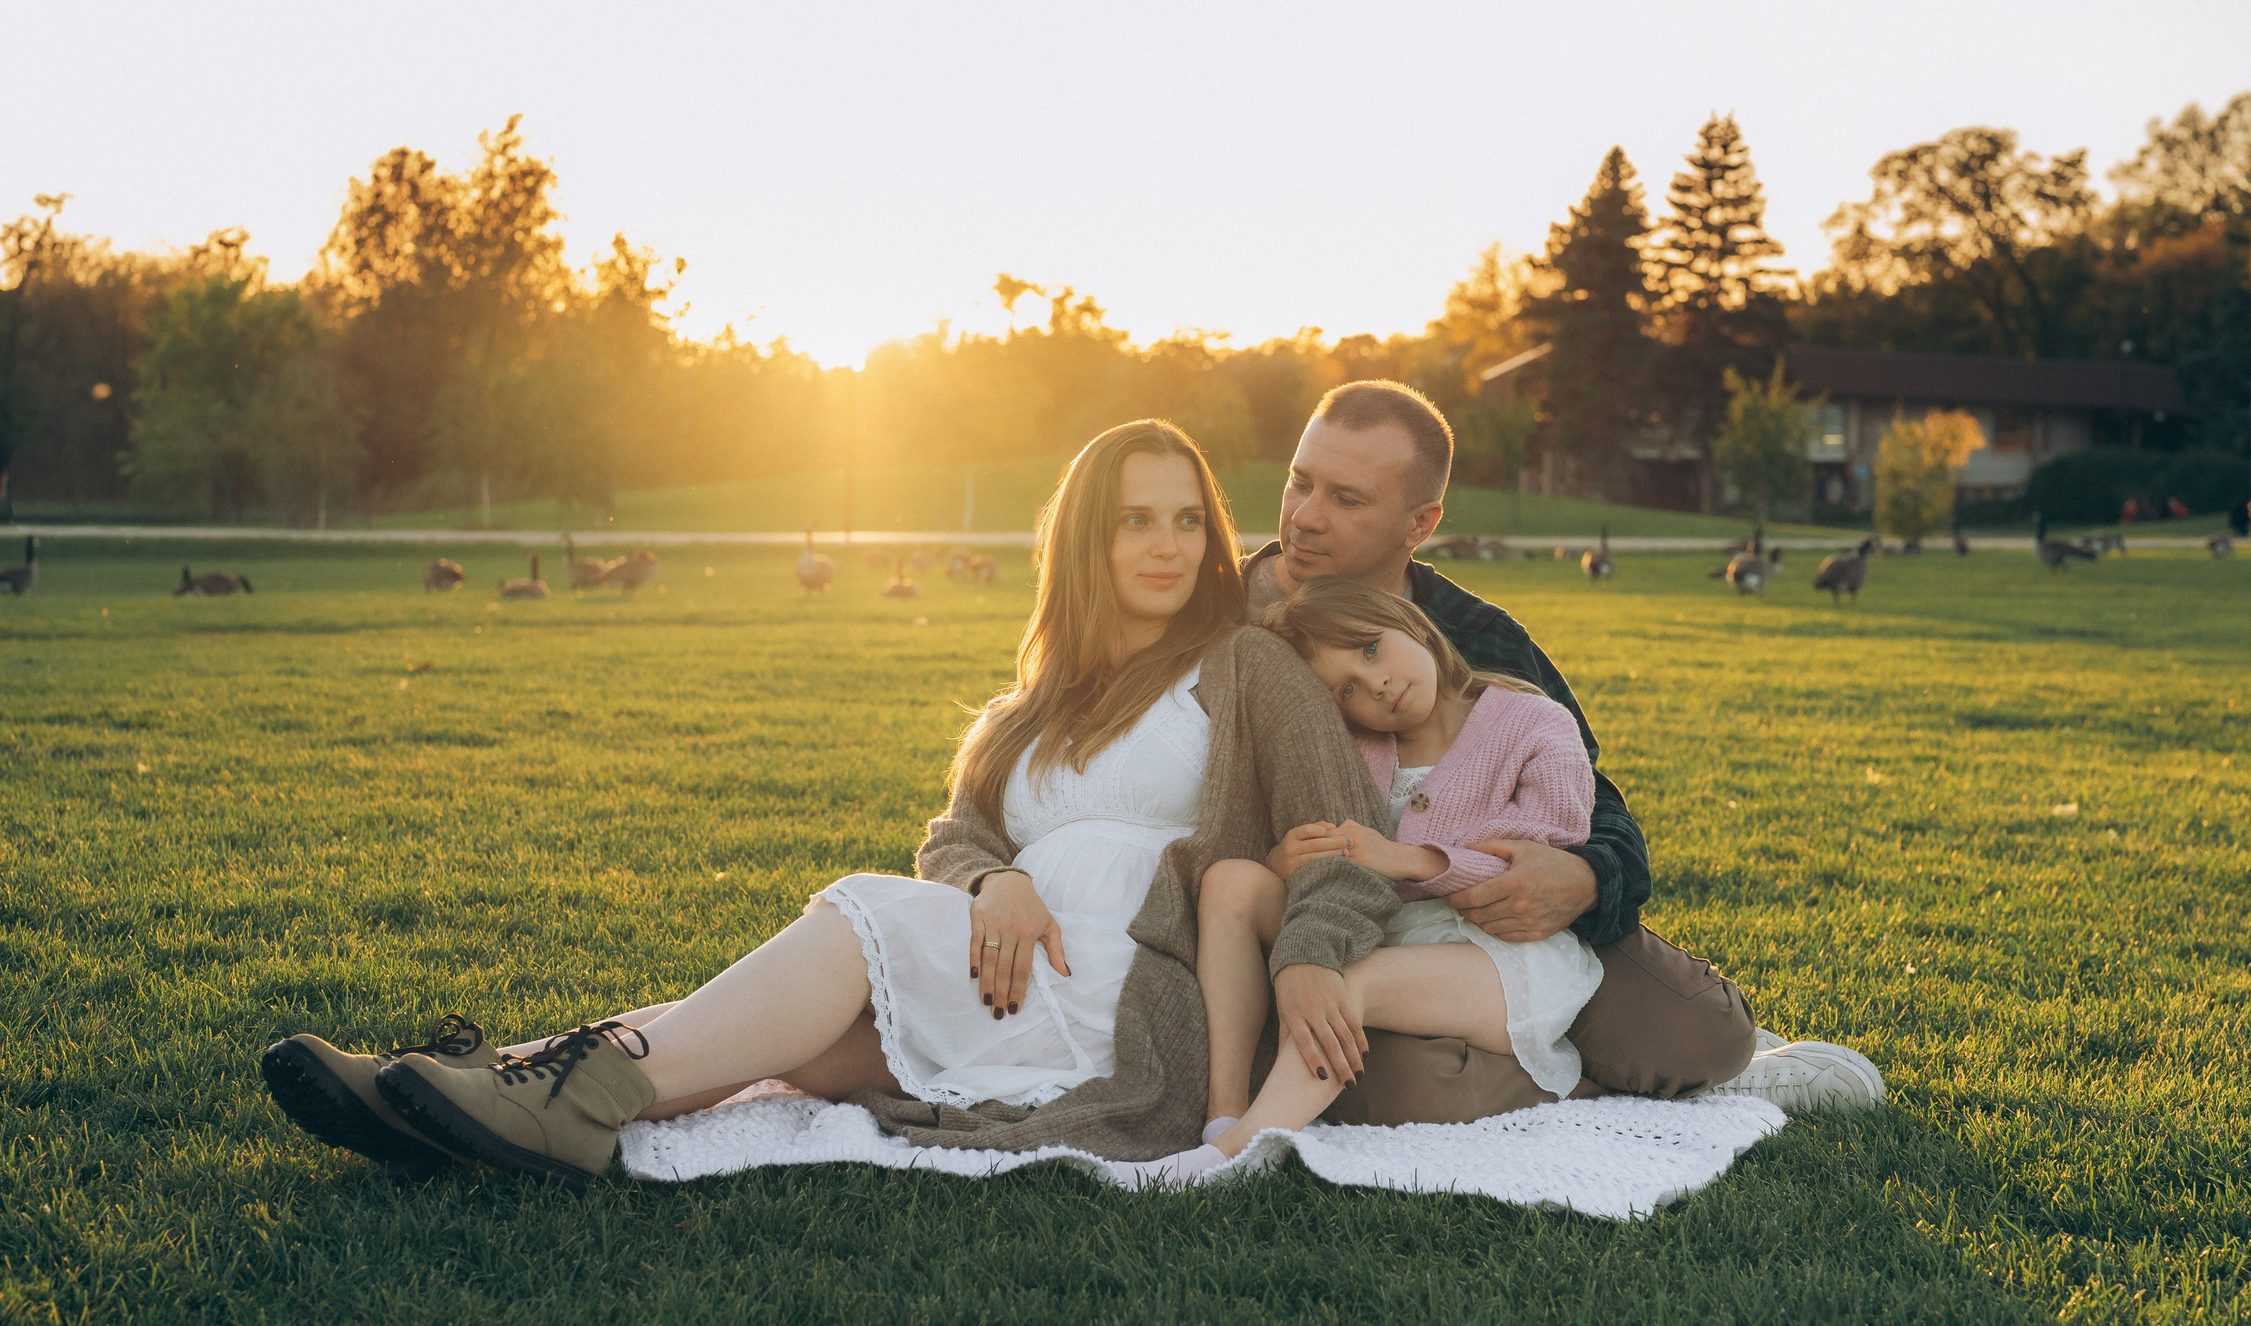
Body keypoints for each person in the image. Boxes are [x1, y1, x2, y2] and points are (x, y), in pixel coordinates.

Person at [261, 420, 1416, 1184]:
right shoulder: (1032, 703)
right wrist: (995, 880)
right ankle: (482, 1088)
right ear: (1085, 537)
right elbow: (956, 837)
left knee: (858, 915)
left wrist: (1311, 958)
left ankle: (551, 1095)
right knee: (816, 1050)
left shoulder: (1246, 668)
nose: (1165, 545)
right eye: (1133, 519)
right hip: (1008, 974)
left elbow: (1345, 848)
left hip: (1130, 997)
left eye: (1184, 518)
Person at [1244, 381, 1876, 1120]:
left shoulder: (1480, 637)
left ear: (1420, 523)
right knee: (1391, 1075)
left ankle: (1681, 1067)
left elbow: (1591, 794)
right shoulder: (1221, 616)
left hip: (1504, 925)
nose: (1305, 516)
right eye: (1300, 481)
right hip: (1340, 930)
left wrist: (1583, 875)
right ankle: (1603, 1086)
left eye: (1347, 499)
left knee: (1700, 1032)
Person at [1124, 578, 1604, 1188]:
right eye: (1347, 688)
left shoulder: (1535, 723)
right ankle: (1224, 1115)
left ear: (1412, 623)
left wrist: (1406, 859)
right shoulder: (1360, 746)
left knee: (1345, 980)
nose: (1375, 684)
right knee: (1231, 882)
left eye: (1371, 649)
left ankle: (1237, 1157)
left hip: (1504, 956)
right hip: (1389, 935)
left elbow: (1545, 858)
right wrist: (1287, 862)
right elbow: (1342, 868)